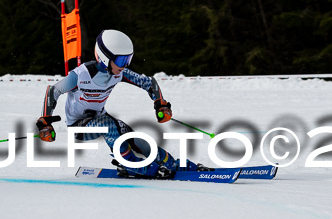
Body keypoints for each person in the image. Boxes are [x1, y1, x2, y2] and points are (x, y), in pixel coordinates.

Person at [36, 29, 206, 178]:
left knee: (132, 136)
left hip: (100, 119)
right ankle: (130, 163)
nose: (124, 66)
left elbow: (149, 83)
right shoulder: (80, 75)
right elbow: (53, 91)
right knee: (109, 125)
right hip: (78, 126)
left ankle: (171, 163)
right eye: (120, 61)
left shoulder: (119, 73)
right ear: (104, 58)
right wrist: (45, 121)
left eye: (128, 60)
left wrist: (160, 104)